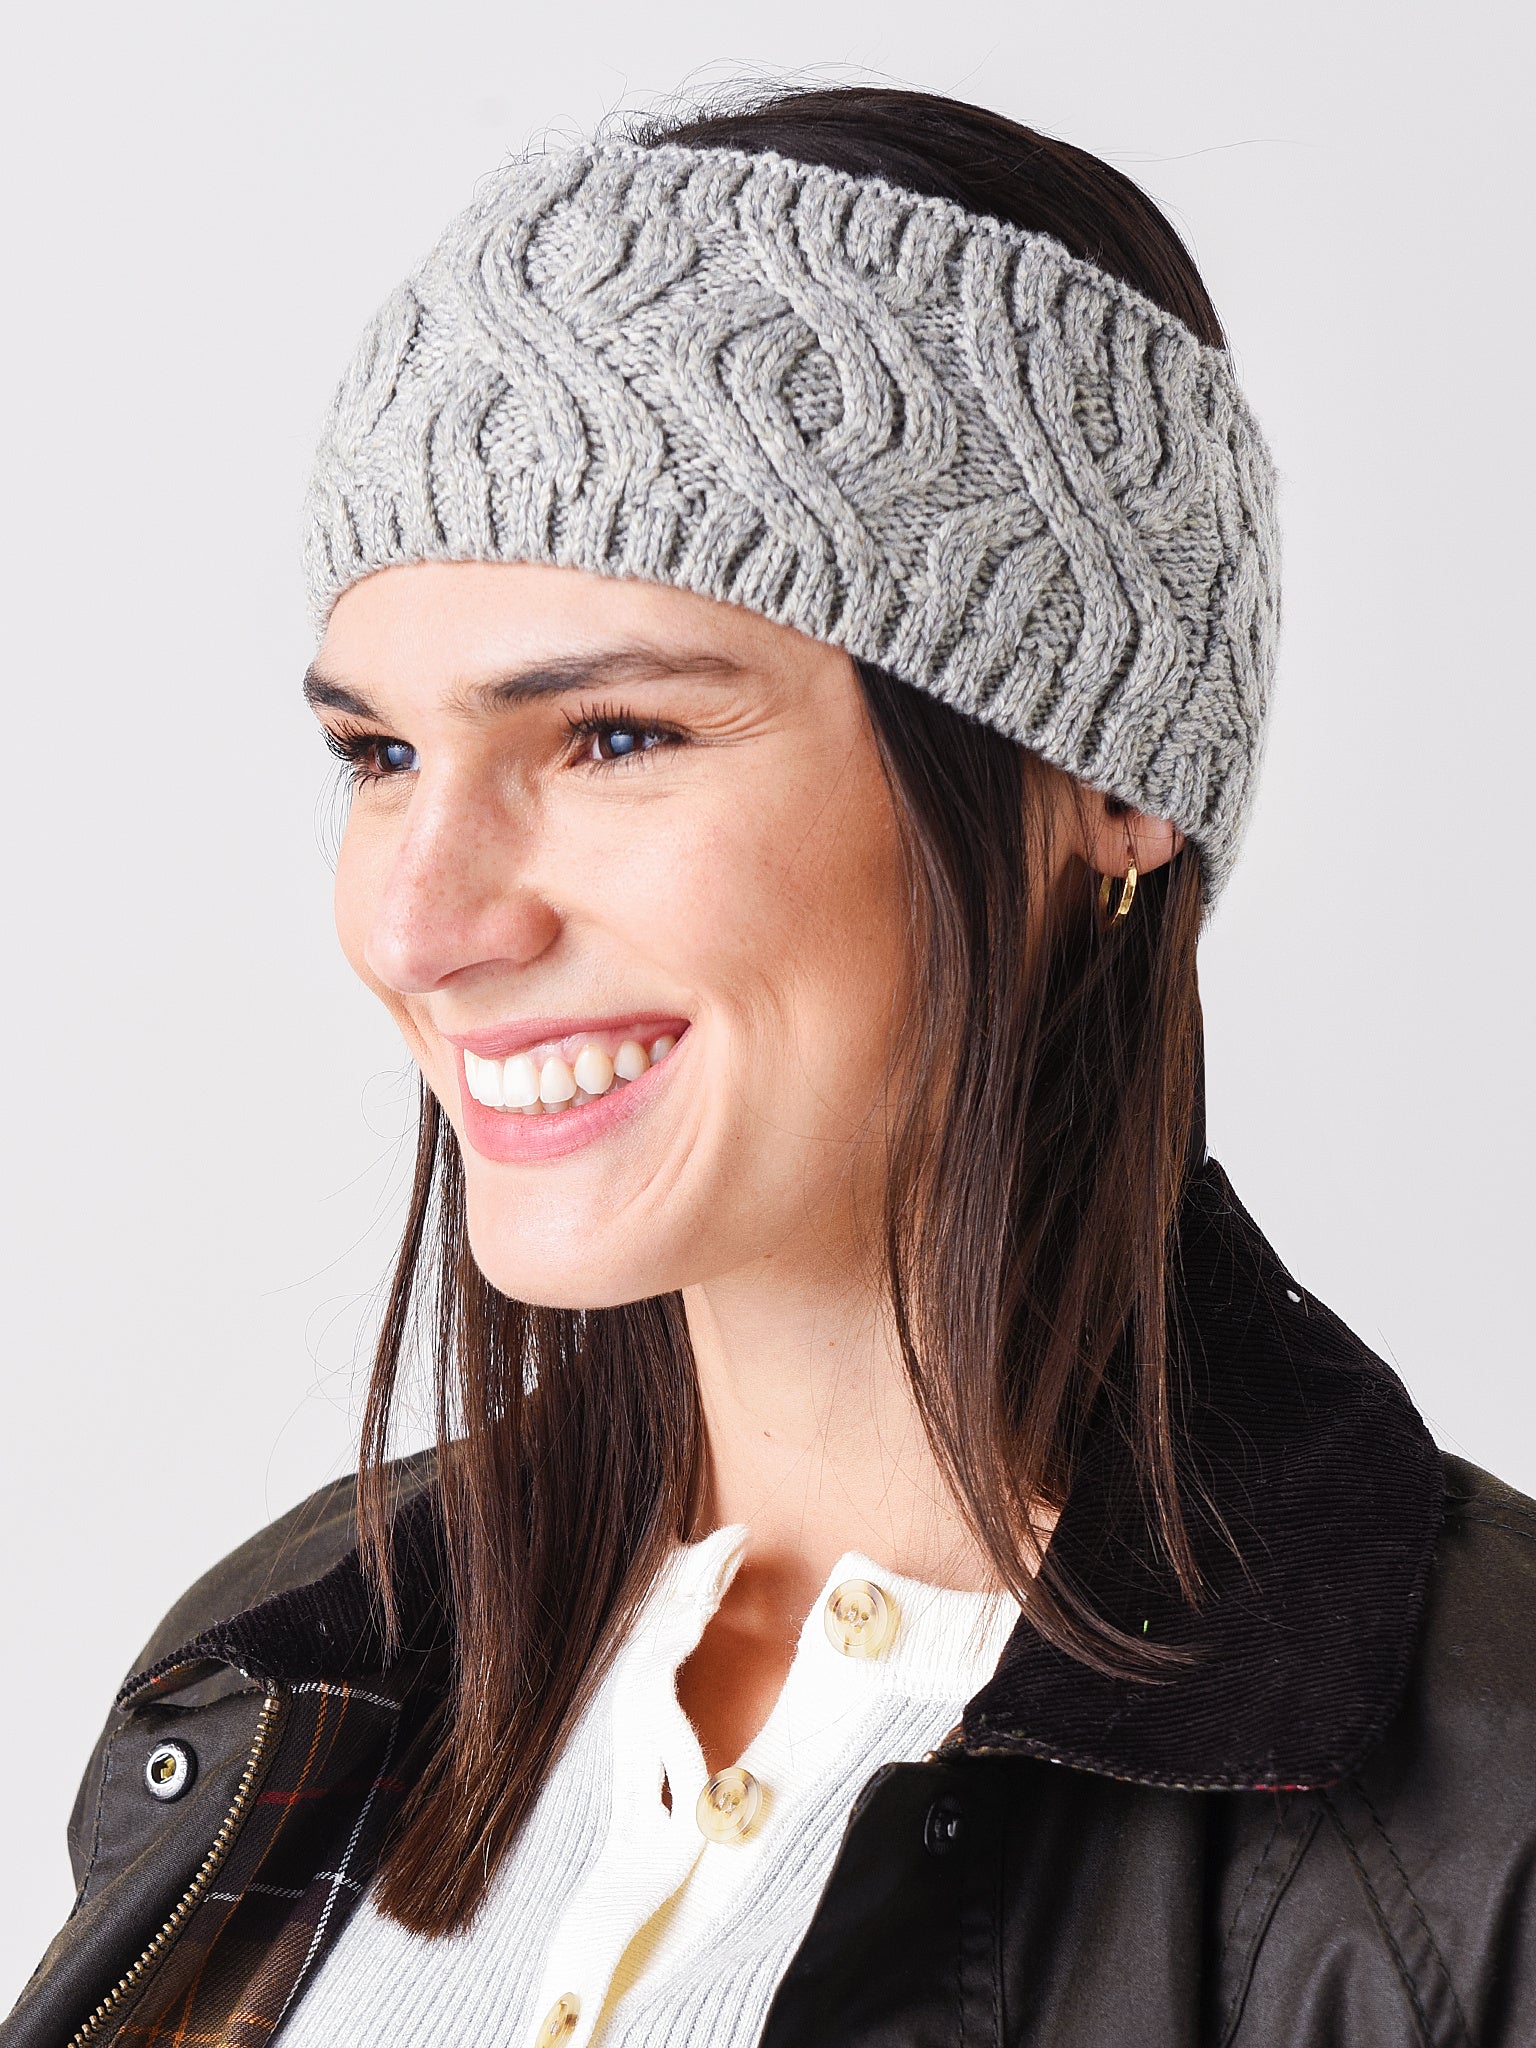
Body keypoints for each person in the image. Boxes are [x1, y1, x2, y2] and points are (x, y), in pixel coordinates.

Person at [5, 81, 1532, 2048]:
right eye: (379, 756)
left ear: (1104, 781)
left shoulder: (1469, 1843)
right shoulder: (291, 1676)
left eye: (616, 736)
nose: (418, 922)